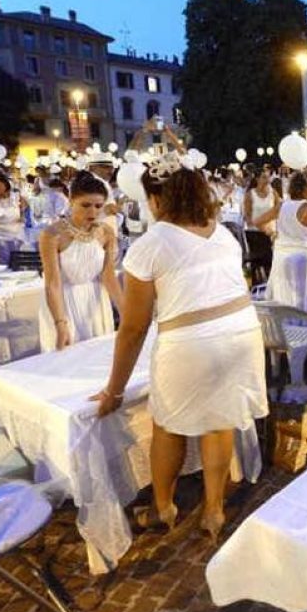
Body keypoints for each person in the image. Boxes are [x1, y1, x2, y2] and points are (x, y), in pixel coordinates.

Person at [94, 151, 268, 540]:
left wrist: (115, 389)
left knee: (168, 425)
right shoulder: (220, 232)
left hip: (192, 344)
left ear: (156, 200)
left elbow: (134, 328)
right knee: (219, 422)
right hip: (241, 333)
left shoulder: (151, 243)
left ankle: (163, 507)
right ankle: (214, 511)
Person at [38, 172, 123, 352]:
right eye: (85, 205)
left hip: (96, 303)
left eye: (98, 206)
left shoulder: (106, 232)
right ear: (71, 201)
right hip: (62, 303)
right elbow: (52, 283)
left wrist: (126, 312)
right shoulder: (52, 234)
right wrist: (60, 324)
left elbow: (109, 277)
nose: (92, 211)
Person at [265, 171, 307, 313]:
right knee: (305, 298)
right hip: (304, 259)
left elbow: (260, 221)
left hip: (281, 258)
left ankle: (285, 328)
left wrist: (273, 233)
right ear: (305, 189)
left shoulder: (282, 206)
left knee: (284, 296)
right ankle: (305, 328)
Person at [244, 167, 280, 238]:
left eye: (268, 177)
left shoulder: (274, 193)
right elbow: (248, 216)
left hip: (271, 233)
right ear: (257, 179)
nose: (267, 180)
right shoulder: (250, 194)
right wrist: (262, 229)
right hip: (255, 232)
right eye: (264, 177)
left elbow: (277, 213)